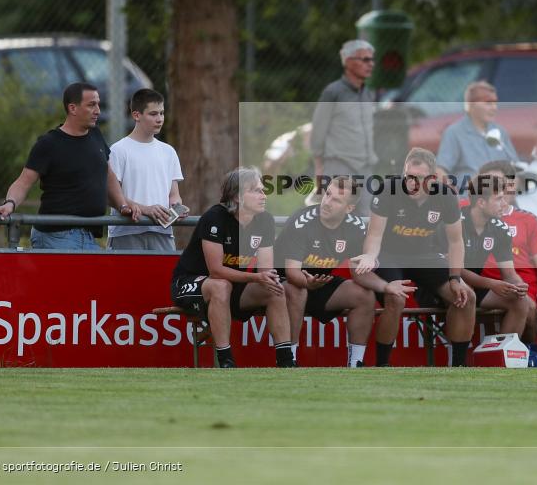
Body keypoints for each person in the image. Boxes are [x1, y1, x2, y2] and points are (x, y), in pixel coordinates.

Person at [354, 147, 475, 367]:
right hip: (390, 255)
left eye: (419, 178)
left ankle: (459, 367)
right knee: (396, 297)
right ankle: (382, 366)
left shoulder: (446, 195)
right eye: (408, 177)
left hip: (424, 256)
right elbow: (374, 234)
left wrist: (455, 278)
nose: (412, 183)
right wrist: (370, 256)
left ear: (432, 178)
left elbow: (456, 242)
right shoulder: (388, 189)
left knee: (466, 296)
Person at [276, 176, 415, 367]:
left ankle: (355, 363)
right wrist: (307, 283)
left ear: (349, 208)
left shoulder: (356, 227)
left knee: (363, 294)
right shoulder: (302, 221)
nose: (326, 202)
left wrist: (386, 286)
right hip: (285, 282)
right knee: (297, 290)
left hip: (319, 281)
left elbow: (359, 271)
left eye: (336, 200)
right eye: (327, 194)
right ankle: (288, 360)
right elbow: (292, 273)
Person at [0, 82, 140, 250]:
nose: (98, 111)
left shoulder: (95, 134)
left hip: (88, 235)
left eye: (98, 104)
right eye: (91, 105)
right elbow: (23, 182)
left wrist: (123, 205)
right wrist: (10, 204)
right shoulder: (49, 143)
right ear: (72, 108)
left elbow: (108, 175)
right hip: (56, 235)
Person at [170, 166, 294, 368]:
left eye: (263, 190)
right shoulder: (214, 217)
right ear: (237, 196)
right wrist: (255, 278)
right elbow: (215, 271)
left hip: (232, 283)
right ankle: (226, 361)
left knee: (274, 287)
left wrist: (268, 278)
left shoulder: (265, 220)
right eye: (256, 190)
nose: (263, 195)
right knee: (220, 285)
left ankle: (286, 361)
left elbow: (265, 270)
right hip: (191, 282)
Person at [475, 161, 537, 343]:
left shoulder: (527, 219)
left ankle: (525, 356)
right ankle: (510, 357)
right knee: (523, 303)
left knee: (527, 305)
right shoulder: (467, 212)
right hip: (480, 282)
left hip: (518, 281)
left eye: (499, 181)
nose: (495, 186)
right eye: (488, 181)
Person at [107, 89, 185, 251]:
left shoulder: (168, 151)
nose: (160, 119)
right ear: (136, 115)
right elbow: (112, 195)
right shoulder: (118, 150)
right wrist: (146, 210)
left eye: (162, 113)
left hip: (162, 231)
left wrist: (176, 209)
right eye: (153, 114)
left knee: (164, 276)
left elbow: (173, 194)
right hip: (126, 232)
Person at [310, 39, 377, 215]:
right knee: (335, 217)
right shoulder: (333, 92)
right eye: (364, 59)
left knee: (367, 218)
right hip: (339, 165)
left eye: (371, 59)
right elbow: (318, 130)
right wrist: (319, 169)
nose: (370, 64)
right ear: (347, 61)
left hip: (365, 167)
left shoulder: (367, 93)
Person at [459, 174, 530, 334]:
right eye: (498, 199)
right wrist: (491, 284)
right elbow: (455, 271)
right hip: (448, 283)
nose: (504, 204)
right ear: (481, 202)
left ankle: (504, 355)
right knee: (465, 294)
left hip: (476, 285)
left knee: (521, 301)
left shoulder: (500, 228)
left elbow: (509, 273)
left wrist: (517, 285)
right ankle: (459, 358)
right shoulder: (456, 222)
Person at [436, 81, 519, 191]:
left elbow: (515, 169)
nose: (494, 108)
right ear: (471, 105)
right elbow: (439, 170)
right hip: (471, 201)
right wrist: (455, 196)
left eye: (495, 103)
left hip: (501, 200)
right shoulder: (454, 133)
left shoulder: (500, 131)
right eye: (488, 103)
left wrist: (509, 193)